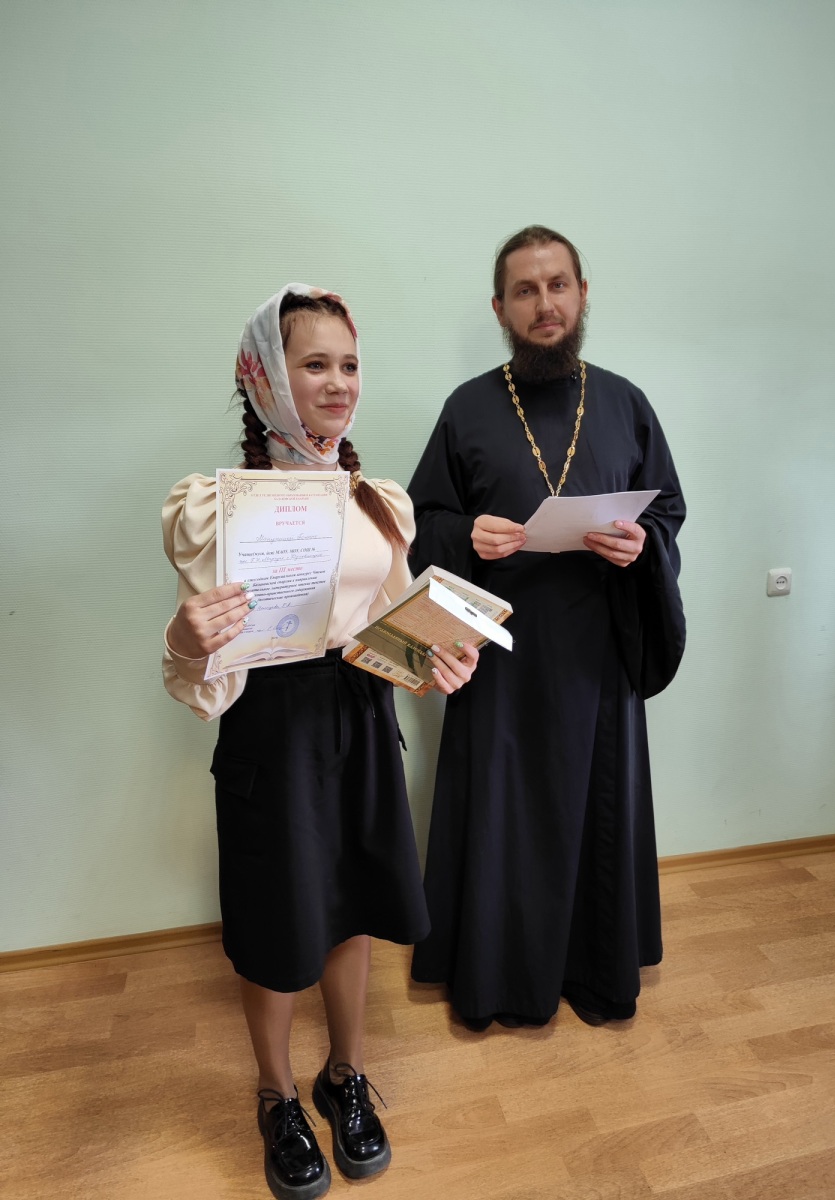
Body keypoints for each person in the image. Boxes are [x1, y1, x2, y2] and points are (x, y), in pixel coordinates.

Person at [161, 283, 478, 1199]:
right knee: (275, 919)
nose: (339, 383)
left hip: (362, 720)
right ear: (265, 378)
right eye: (314, 364)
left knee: (355, 902)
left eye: (349, 364)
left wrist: (433, 661)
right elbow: (198, 653)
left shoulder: (377, 502)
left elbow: (389, 630)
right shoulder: (213, 507)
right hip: (270, 727)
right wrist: (185, 637)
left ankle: (346, 1075)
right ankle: (275, 1094)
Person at [408, 227, 686, 1030]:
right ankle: (499, 980)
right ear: (500, 308)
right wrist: (467, 535)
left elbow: (667, 508)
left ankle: (596, 972)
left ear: (582, 293)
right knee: (505, 813)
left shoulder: (625, 402)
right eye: (525, 291)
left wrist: (641, 545)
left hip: (596, 656)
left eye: (558, 284)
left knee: (596, 811)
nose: (545, 304)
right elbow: (422, 521)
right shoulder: (467, 407)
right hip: (496, 653)